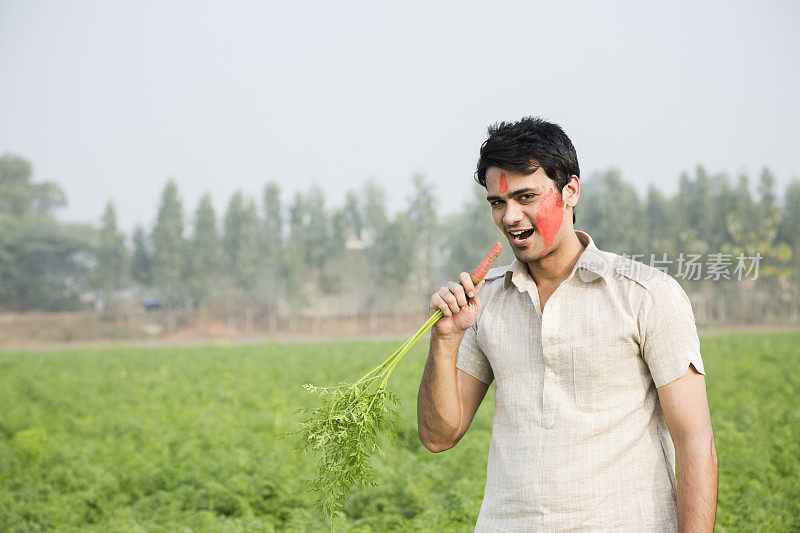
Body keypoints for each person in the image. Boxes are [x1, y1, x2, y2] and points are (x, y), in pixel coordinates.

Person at [417, 117, 718, 531]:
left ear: (570, 191)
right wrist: (446, 339)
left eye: (526, 196)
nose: (510, 216)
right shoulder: (485, 302)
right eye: (497, 203)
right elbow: (439, 436)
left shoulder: (645, 295)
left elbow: (695, 444)